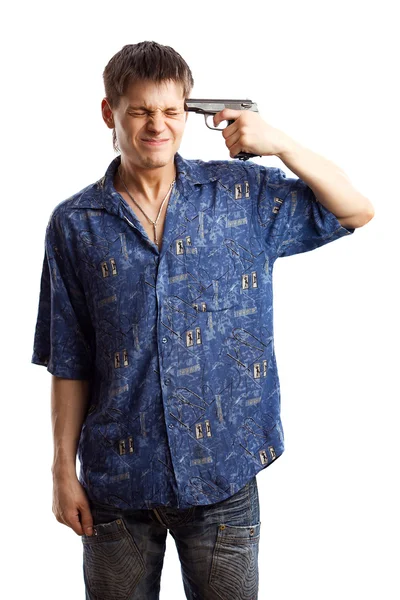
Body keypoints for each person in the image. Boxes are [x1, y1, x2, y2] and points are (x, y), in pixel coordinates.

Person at [31, 41, 374, 600]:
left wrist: (279, 142)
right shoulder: (75, 224)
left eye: (170, 112)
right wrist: (60, 471)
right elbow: (69, 357)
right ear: (109, 113)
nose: (156, 127)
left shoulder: (242, 195)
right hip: (118, 481)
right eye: (140, 111)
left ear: (187, 112)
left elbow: (356, 209)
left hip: (224, 473)